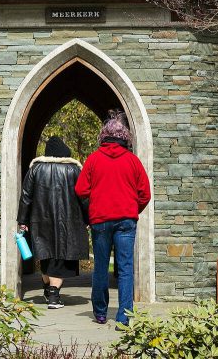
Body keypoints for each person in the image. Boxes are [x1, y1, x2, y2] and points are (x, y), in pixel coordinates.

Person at [75, 110, 150, 327]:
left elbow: (80, 189)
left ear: (103, 137)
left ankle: (100, 313)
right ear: (125, 137)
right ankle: (124, 316)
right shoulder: (133, 161)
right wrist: (133, 209)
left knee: (100, 266)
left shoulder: (94, 159)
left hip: (100, 219)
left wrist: (94, 204)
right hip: (126, 220)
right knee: (126, 268)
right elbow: (145, 193)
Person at [17, 136, 89, 309]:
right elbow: (84, 197)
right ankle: (54, 297)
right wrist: (88, 218)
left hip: (41, 221)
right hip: (69, 223)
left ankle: (49, 289)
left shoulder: (35, 169)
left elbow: (26, 196)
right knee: (61, 259)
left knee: (46, 257)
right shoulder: (74, 170)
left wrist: (22, 220)